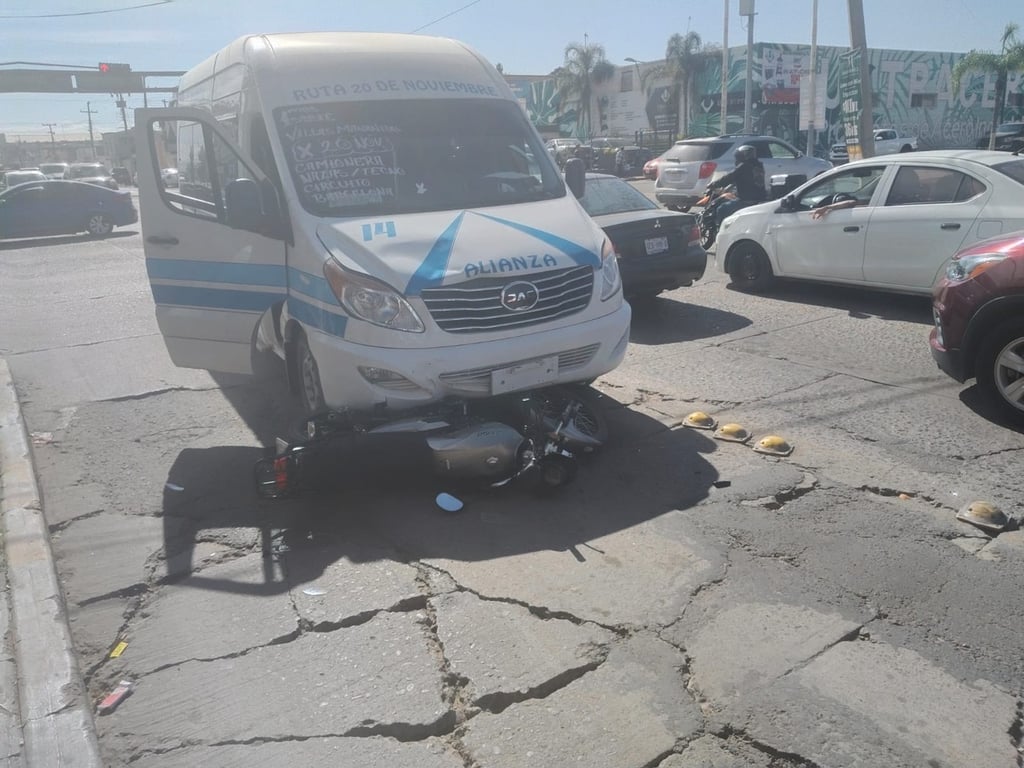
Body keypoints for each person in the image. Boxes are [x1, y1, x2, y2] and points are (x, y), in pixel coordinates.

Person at [707, 145, 766, 224]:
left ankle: (720, 230)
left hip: (746, 200)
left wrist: (713, 184)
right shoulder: (758, 166)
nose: (737, 159)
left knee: (721, 209)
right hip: (758, 199)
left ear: (744, 156)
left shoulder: (744, 166)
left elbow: (728, 178)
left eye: (738, 156)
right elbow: (745, 179)